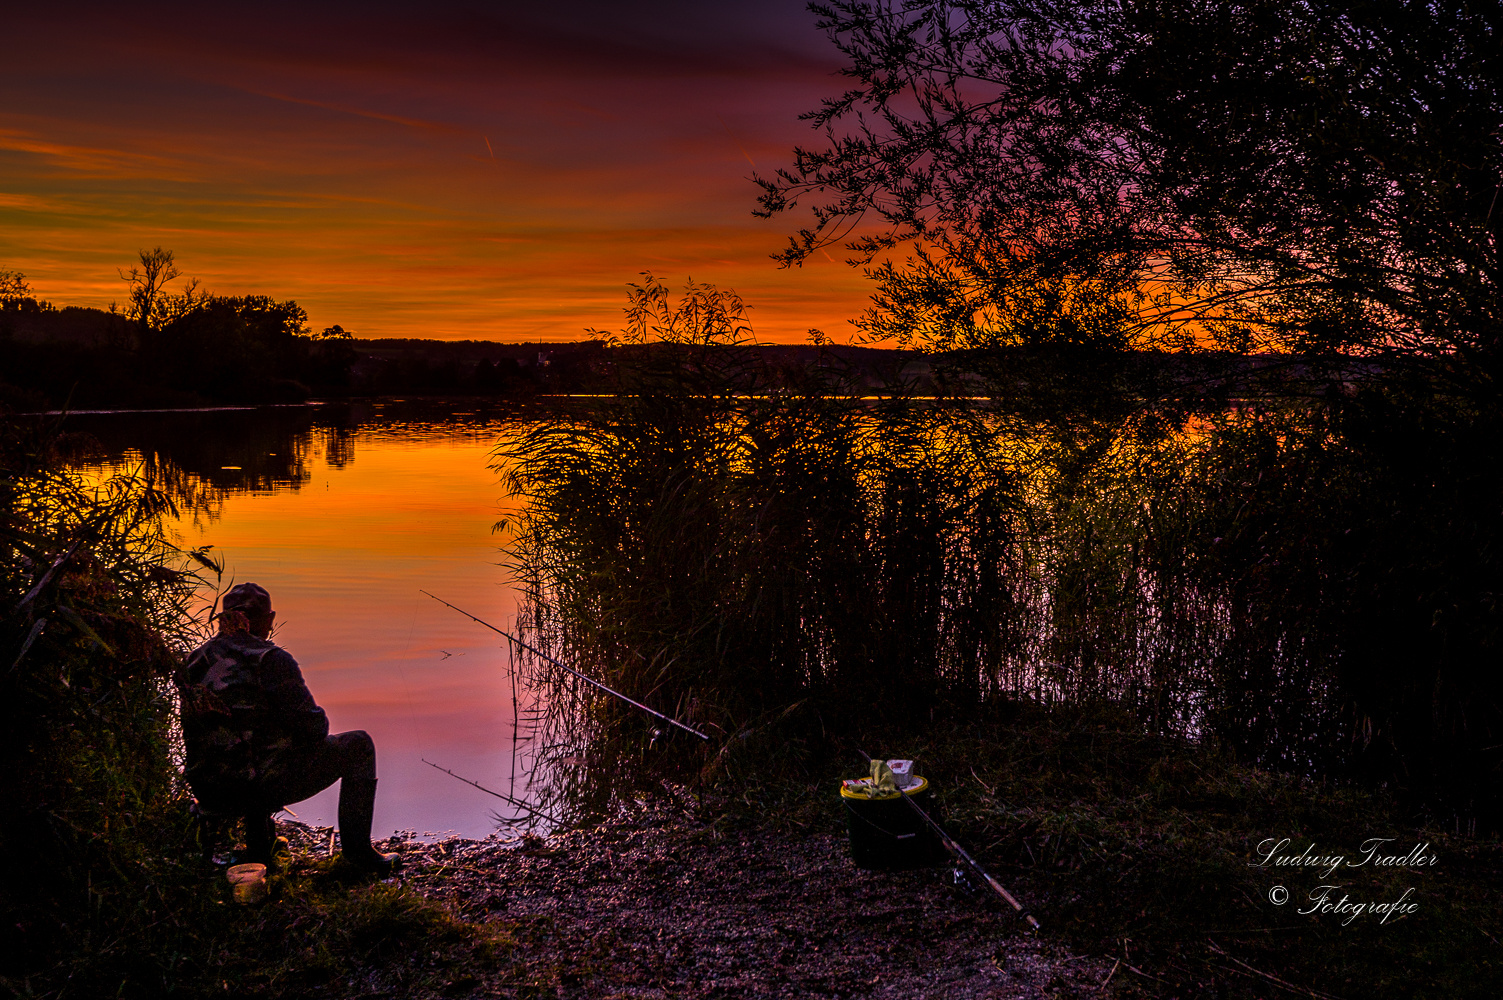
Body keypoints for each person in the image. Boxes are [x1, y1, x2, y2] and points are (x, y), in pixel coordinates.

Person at [177, 582, 400, 874]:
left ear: (223, 619)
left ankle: (260, 850)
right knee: (359, 745)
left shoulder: (193, 660)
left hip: (208, 788)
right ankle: (358, 856)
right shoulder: (271, 660)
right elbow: (314, 729)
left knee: (251, 748)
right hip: (256, 787)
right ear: (269, 620)